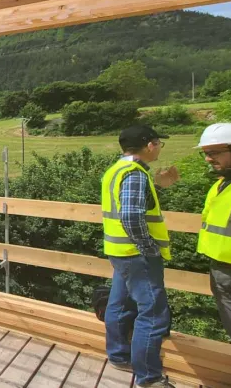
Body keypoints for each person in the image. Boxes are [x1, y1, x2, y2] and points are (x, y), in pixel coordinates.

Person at [102, 125, 179, 388]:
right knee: (154, 314)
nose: (159, 148)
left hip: (119, 250)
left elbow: (132, 204)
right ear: (149, 145)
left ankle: (118, 356)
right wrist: (149, 247)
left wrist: (158, 184)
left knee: (120, 303)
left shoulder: (117, 170)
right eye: (159, 143)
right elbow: (132, 215)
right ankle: (150, 378)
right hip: (137, 254)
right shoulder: (134, 174)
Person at [197, 123, 231, 344]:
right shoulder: (222, 184)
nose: (208, 159)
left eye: (214, 153)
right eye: (206, 154)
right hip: (222, 270)